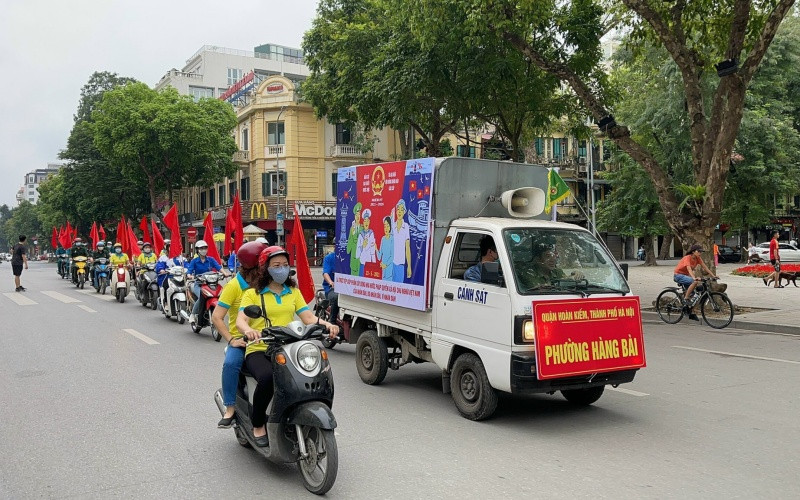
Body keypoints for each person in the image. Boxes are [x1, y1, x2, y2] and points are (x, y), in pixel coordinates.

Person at [236, 246, 340, 447]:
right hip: (260, 348)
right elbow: (242, 320)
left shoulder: (293, 292)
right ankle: (258, 424)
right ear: (265, 269)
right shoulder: (253, 294)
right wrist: (248, 331)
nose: (281, 269)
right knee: (267, 378)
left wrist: (327, 325)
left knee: (312, 374)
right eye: (276, 265)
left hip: (288, 348)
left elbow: (308, 317)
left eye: (285, 265)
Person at [211, 241, 267, 428]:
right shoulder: (234, 286)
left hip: (267, 338)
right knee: (231, 364)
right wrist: (231, 339)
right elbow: (217, 317)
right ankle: (230, 408)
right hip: (242, 339)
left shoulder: (265, 285)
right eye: (261, 267)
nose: (263, 271)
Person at [187, 240, 227, 325]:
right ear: (197, 250)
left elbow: (218, 267)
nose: (203, 250)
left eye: (205, 248)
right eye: (201, 248)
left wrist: (225, 273)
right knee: (201, 297)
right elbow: (189, 272)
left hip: (211, 284)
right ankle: (193, 315)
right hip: (199, 285)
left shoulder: (211, 260)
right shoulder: (194, 261)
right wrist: (190, 276)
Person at [673, 244, 717, 320]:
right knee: (694, 282)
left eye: (701, 252)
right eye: (698, 251)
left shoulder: (698, 258)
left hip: (686, 276)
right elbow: (689, 268)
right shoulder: (687, 258)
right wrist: (694, 278)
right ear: (693, 252)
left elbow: (705, 267)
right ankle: (686, 298)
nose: (700, 253)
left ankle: (690, 312)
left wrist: (713, 276)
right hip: (678, 275)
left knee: (694, 295)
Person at [392, 199, 412, 282]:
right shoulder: (392, 226)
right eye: (398, 209)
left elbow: (407, 247)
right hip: (391, 264)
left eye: (402, 209)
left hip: (400, 264)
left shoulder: (406, 227)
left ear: (404, 212)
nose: (399, 212)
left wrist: (409, 266)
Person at [356, 209, 376, 276]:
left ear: (369, 222)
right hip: (362, 262)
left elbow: (373, 249)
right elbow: (357, 252)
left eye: (367, 221)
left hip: (369, 263)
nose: (366, 223)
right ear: (363, 223)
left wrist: (374, 261)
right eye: (365, 221)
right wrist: (362, 246)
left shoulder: (371, 233)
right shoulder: (360, 234)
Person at [322, 247, 339, 321]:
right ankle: (332, 321)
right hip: (331, 288)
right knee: (336, 297)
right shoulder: (329, 258)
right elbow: (326, 273)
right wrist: (331, 282)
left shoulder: (349, 257)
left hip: (345, 288)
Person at [346, 202, 363, 275]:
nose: (358, 216)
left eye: (359, 214)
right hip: (353, 254)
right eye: (356, 214)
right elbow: (350, 240)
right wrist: (348, 250)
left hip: (361, 255)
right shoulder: (352, 228)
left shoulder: (362, 228)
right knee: (353, 272)